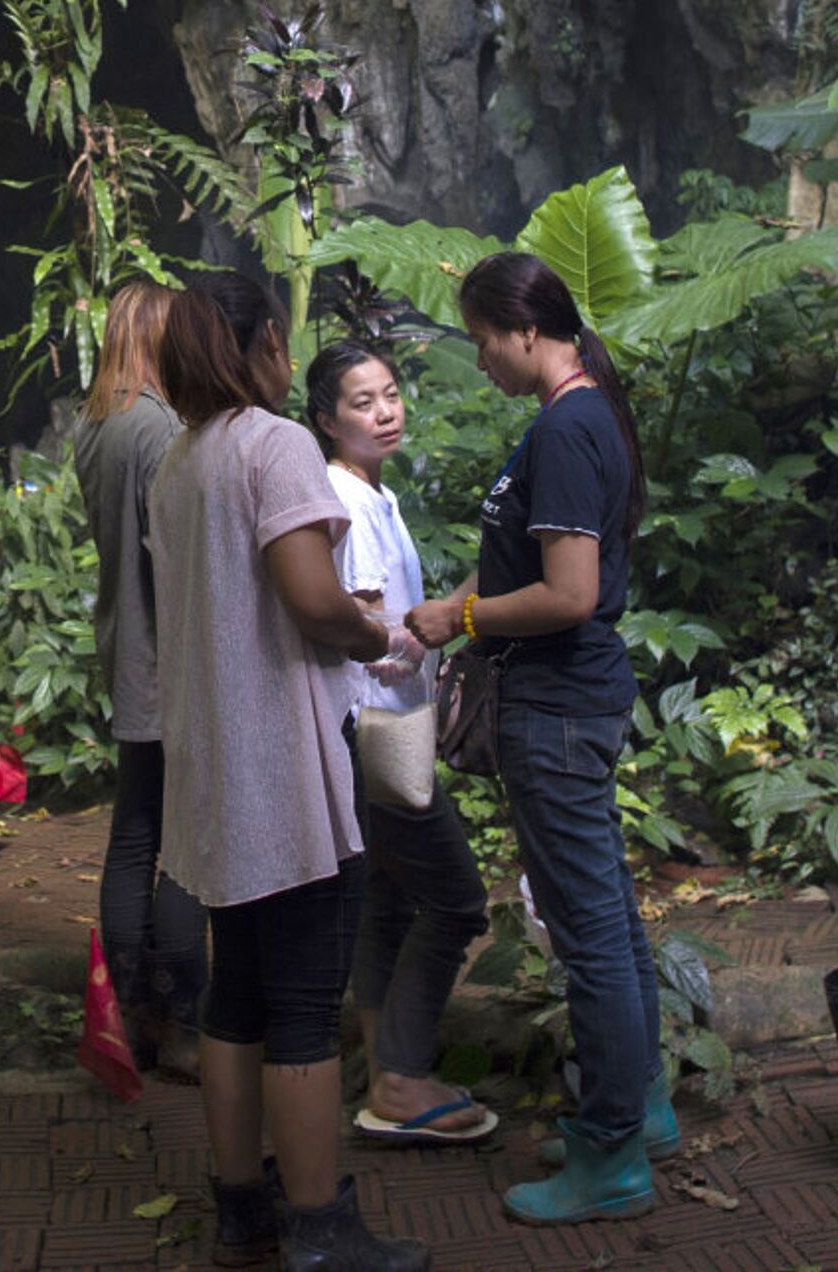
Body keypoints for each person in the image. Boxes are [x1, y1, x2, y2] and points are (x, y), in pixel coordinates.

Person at [149, 274, 429, 1272]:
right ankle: (319, 1224)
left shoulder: (180, 458)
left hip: (217, 764)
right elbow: (312, 599)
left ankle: (241, 1207)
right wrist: (373, 626)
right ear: (267, 340)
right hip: (283, 759)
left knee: (239, 996)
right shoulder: (274, 443)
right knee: (307, 1001)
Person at [406, 252, 674, 1225]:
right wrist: (463, 607)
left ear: (525, 330)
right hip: (574, 703)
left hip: (558, 707)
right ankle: (638, 1109)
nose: (480, 360)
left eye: (481, 341)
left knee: (590, 932)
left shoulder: (567, 424)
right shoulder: (588, 409)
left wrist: (464, 620)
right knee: (606, 919)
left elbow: (568, 594)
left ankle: (610, 1156)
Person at [305, 342, 494, 1151]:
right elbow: (368, 625)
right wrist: (425, 632)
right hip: (378, 730)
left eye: (390, 394)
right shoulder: (344, 495)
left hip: (379, 726)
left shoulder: (368, 491)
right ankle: (401, 1077)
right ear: (324, 420)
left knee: (386, 901)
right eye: (361, 402)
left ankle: (386, 1064)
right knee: (456, 901)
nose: (385, 411)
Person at [73, 280, 205, 1077]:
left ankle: (126, 1011)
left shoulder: (95, 425)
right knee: (185, 847)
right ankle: (185, 1017)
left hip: (126, 651)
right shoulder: (158, 430)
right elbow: (173, 560)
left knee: (133, 839)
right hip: (171, 661)